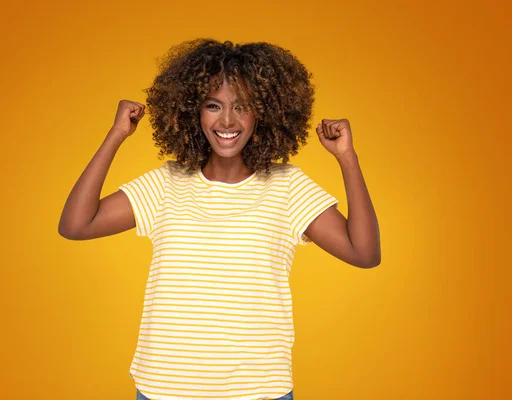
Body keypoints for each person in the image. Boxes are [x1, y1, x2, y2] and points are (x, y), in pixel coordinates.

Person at [58, 39, 380, 400]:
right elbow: (76, 225)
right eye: (214, 106)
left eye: (242, 107)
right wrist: (116, 134)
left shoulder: (287, 187)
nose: (227, 121)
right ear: (192, 111)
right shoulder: (166, 183)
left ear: (264, 113)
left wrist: (347, 157)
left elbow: (364, 253)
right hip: (164, 390)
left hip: (258, 392)